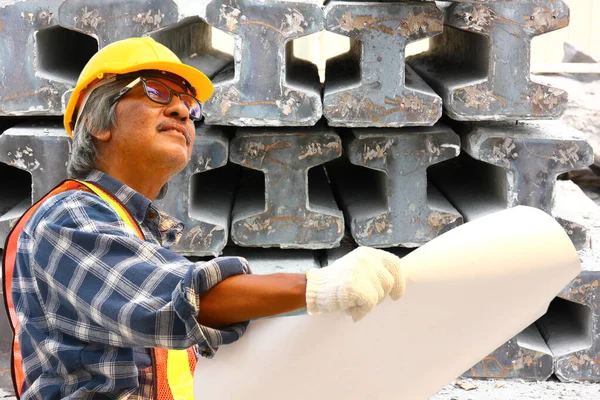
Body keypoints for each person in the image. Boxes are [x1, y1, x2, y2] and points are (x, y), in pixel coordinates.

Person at [2, 37, 405, 399]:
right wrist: (321, 286)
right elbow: (181, 300)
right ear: (96, 122)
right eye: (156, 91)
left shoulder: (135, 229)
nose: (181, 109)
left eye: (190, 104)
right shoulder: (68, 218)